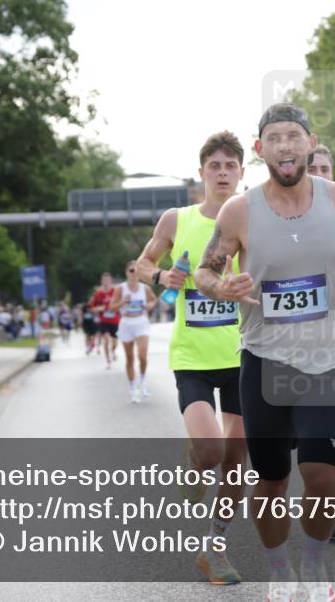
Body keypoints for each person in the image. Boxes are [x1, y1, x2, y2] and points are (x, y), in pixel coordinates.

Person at [194, 103, 335, 602]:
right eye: (274, 138)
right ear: (260, 150)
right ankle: (279, 573)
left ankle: (313, 567)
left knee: (323, 478)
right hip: (265, 364)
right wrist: (220, 286)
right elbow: (206, 271)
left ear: (310, 143)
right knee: (271, 482)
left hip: (327, 363)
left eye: (293, 136)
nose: (285, 146)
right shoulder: (239, 211)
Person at [137, 130, 250, 584]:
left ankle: (214, 549)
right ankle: (194, 458)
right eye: (214, 166)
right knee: (211, 450)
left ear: (241, 172)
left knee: (236, 461)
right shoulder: (176, 219)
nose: (222, 173)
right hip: (193, 358)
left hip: (243, 354)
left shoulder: (254, 219)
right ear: (201, 172)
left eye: (230, 166)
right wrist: (162, 275)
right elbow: (143, 264)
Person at [305, 145, 335, 543]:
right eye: (313, 168)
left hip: (331, 351)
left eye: (326, 168)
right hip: (275, 354)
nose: (320, 174)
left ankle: (331, 508)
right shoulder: (273, 214)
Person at [110, 261, 158, 402]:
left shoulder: (145, 288)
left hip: (141, 322)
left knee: (142, 356)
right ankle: (133, 388)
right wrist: (123, 302)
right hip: (126, 323)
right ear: (127, 272)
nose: (134, 273)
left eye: (137, 270)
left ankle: (143, 381)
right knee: (130, 358)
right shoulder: (120, 289)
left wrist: (149, 305)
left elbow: (153, 300)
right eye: (131, 270)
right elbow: (111, 307)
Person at [88, 273, 120, 369]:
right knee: (106, 340)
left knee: (114, 343)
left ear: (110, 281)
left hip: (115, 320)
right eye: (104, 280)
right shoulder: (98, 293)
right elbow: (92, 308)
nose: (106, 282)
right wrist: (100, 308)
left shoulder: (115, 291)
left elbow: (121, 303)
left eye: (108, 280)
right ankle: (108, 361)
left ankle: (113, 350)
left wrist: (115, 307)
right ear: (101, 281)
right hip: (103, 321)